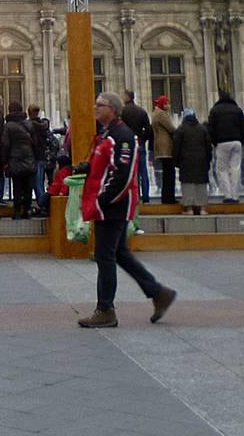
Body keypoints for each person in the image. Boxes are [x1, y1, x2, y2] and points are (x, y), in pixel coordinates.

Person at [76, 93, 176, 328]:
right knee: (119, 253)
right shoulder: (107, 134)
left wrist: (103, 200)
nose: (95, 108)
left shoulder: (123, 137)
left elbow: (123, 174)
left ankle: (105, 310)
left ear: (112, 109)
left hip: (114, 206)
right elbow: (105, 164)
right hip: (108, 204)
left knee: (104, 256)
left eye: (100, 105)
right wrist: (85, 167)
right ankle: (158, 292)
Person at [206, 90, 244, 203]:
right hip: (237, 141)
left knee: (222, 169)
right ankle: (235, 195)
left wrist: (215, 142)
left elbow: (211, 129)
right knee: (235, 168)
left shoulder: (215, 110)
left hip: (222, 142)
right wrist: (242, 141)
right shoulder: (238, 110)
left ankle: (228, 195)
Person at [2, 101, 37, 219]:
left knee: (17, 186)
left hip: (15, 159)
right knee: (28, 187)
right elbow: (35, 143)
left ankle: (17, 211)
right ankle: (27, 210)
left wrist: (4, 161)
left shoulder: (8, 126)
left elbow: (5, 144)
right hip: (29, 158)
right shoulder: (29, 124)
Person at [171, 108, 210, 214]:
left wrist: (176, 161)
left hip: (186, 160)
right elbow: (208, 146)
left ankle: (189, 208)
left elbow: (176, 147)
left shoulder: (181, 129)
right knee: (201, 183)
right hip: (201, 160)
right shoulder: (202, 129)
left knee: (187, 183)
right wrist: (208, 159)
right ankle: (202, 208)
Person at [119, 90, 155, 201]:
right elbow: (148, 129)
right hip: (139, 143)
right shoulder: (141, 111)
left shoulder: (123, 112)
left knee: (130, 171)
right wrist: (143, 139)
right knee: (143, 171)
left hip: (127, 145)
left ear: (127, 97)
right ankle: (146, 196)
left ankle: (135, 196)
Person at [150, 96, 177, 206]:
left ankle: (167, 197)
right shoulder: (161, 114)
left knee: (167, 172)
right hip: (165, 147)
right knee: (169, 173)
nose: (168, 106)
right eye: (166, 103)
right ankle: (169, 198)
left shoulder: (156, 113)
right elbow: (171, 128)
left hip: (160, 146)